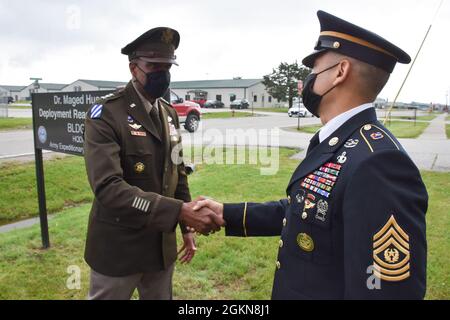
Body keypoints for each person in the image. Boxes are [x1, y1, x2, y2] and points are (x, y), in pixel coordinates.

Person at [193, 11, 428, 299]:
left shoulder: (378, 162)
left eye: (315, 68)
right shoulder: (338, 141)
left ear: (340, 72)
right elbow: (307, 209)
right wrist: (226, 214)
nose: (306, 80)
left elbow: (385, 291)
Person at [83, 27, 223, 300]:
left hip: (160, 247)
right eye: (154, 66)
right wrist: (180, 212)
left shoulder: (169, 113)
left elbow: (177, 174)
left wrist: (186, 228)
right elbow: (108, 188)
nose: (163, 73)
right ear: (134, 68)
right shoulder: (107, 114)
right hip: (118, 250)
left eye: (167, 66)